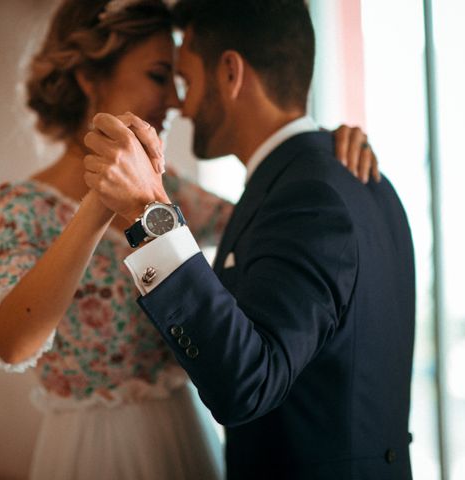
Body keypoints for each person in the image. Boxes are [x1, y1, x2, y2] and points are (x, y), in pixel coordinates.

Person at [0, 0, 379, 479]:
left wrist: (316, 149)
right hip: (91, 453)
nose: (175, 98)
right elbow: (14, 345)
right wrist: (101, 202)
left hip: (184, 440)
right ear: (90, 78)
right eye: (158, 76)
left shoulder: (177, 197)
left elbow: (281, 226)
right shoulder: (22, 207)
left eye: (177, 78)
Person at [83, 1, 416, 479]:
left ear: (231, 73)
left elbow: (249, 384)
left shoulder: (307, 194)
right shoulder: (349, 176)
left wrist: (147, 214)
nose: (182, 103)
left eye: (188, 79)